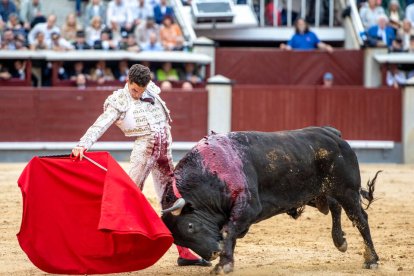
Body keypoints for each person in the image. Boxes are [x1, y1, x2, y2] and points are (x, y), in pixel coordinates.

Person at [71, 64, 211, 267]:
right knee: (128, 196)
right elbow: (101, 123)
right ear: (128, 81)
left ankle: (184, 252)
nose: (138, 94)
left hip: (164, 151)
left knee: (171, 200)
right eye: (135, 90)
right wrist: (83, 144)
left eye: (142, 90)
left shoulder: (151, 89)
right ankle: (113, 248)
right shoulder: (119, 99)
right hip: (144, 151)